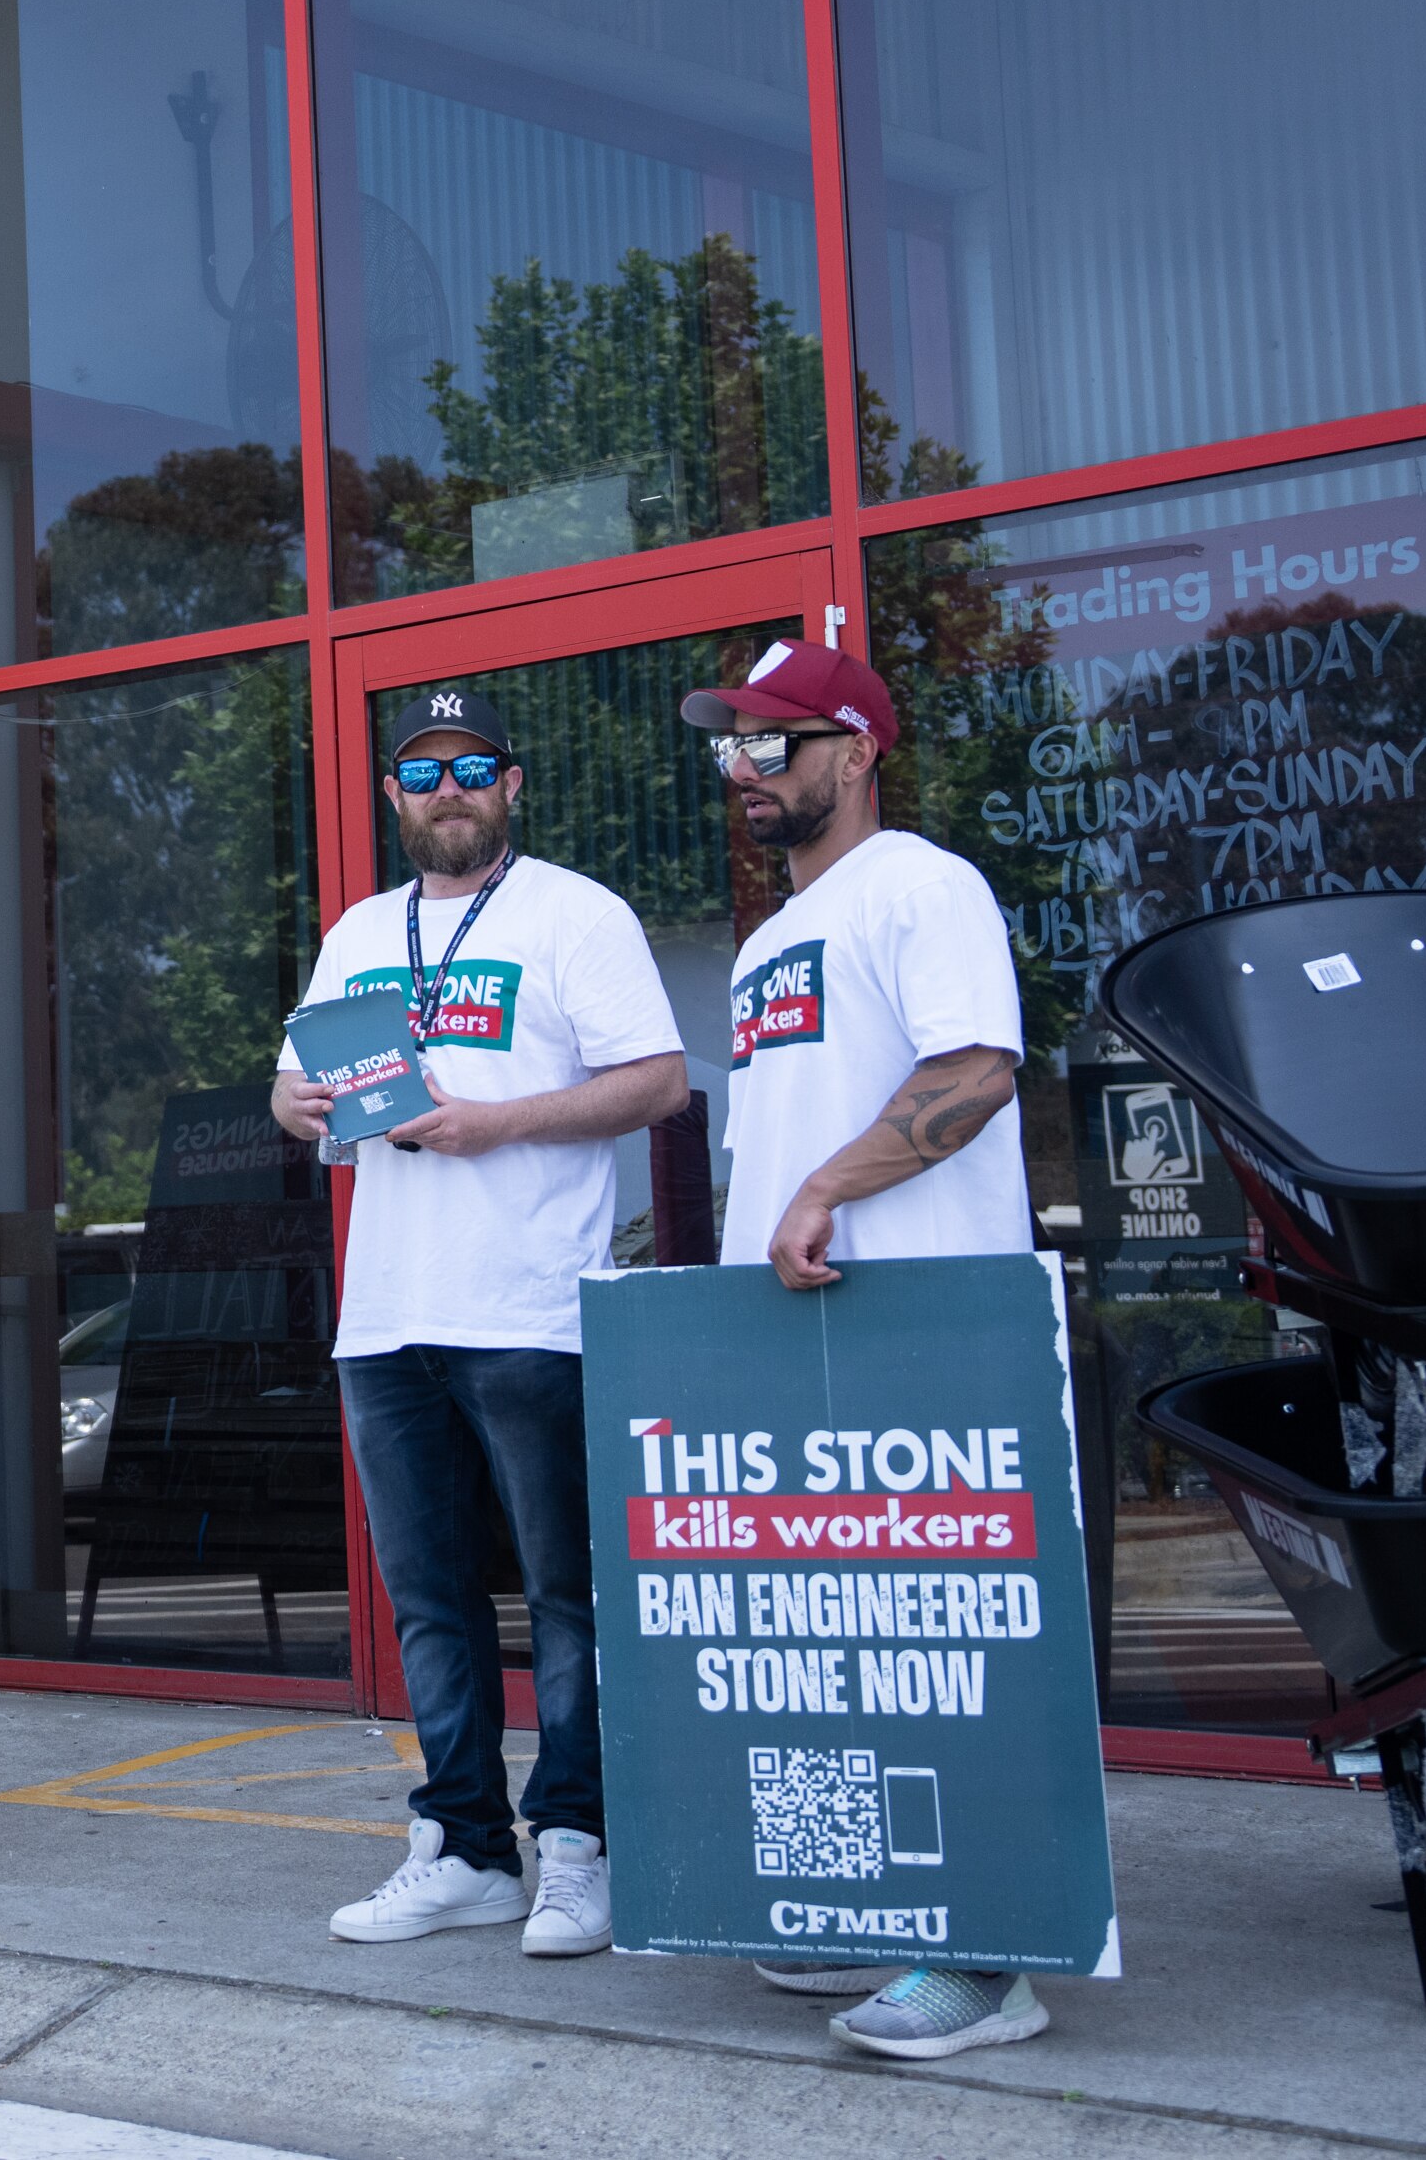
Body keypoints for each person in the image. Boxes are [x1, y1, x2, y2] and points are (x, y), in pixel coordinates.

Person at [269, 688, 689, 1960]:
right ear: (393, 795)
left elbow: (659, 1081)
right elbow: (296, 1078)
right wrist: (299, 1104)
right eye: (420, 771)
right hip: (387, 1311)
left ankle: (578, 1845)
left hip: (532, 1308)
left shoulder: (576, 913)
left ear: (512, 786)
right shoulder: (356, 930)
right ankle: (462, 1846)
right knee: (430, 1603)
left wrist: (489, 1121)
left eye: (471, 768)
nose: (445, 789)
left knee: (569, 1597)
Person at [682, 637, 1037, 2060]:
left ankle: (989, 1960)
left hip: (922, 1321)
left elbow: (974, 1069)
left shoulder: (924, 884)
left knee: (947, 1648)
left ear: (859, 749)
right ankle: (857, 1907)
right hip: (798, 1336)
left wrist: (826, 1186)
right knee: (825, 1646)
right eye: (732, 748)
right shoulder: (773, 935)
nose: (747, 770)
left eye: (775, 742)